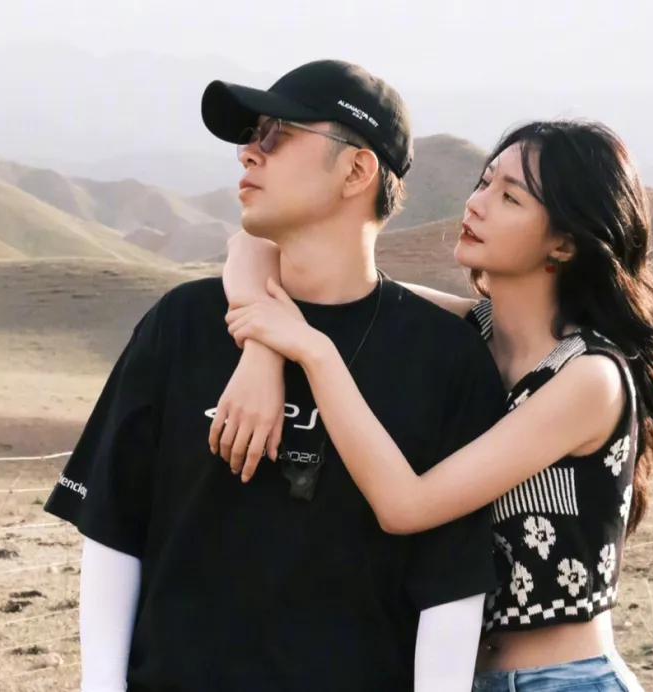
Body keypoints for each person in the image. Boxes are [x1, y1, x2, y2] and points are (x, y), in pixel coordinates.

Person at [43, 59, 509, 692]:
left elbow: (449, 585)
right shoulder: (182, 323)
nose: (247, 152)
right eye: (249, 135)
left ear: (356, 170)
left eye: (275, 134)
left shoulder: (445, 358)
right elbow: (114, 527)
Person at [213, 118, 653, 691]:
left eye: (510, 197)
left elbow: (405, 505)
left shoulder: (589, 377)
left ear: (564, 243)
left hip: (567, 680)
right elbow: (257, 250)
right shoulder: (471, 332)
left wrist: (315, 353)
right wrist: (261, 356)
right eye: (485, 182)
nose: (477, 204)